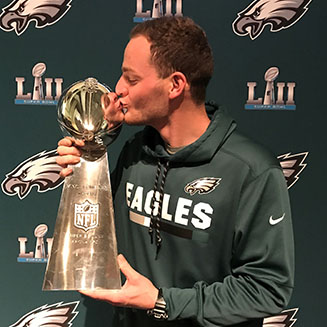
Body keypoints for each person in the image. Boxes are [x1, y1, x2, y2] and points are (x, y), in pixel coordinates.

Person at [57, 16, 294, 327]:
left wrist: (163, 302)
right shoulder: (133, 152)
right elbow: (97, 242)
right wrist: (87, 157)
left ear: (175, 85)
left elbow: (267, 289)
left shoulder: (251, 171)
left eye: (131, 79)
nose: (118, 89)